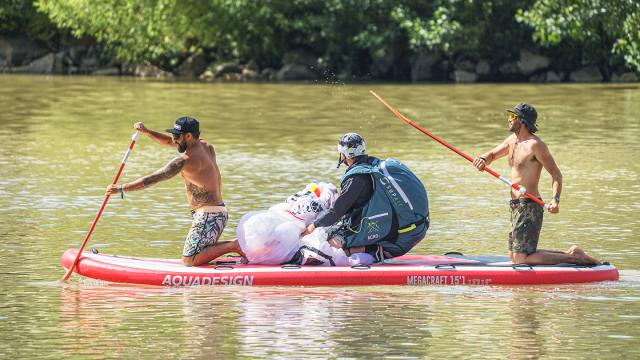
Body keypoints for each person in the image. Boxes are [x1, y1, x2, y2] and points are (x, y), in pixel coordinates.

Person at [472, 103, 600, 265]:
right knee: (514, 256)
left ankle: (574, 258)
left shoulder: (535, 145)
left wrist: (555, 200)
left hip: (530, 205)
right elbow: (491, 155)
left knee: (520, 259)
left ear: (522, 121)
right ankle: (572, 253)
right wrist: (482, 160)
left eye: (513, 117)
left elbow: (556, 175)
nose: (509, 120)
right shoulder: (512, 141)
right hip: (515, 205)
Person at [106, 117, 240, 266]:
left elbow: (152, 179)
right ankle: (229, 247)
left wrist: (121, 188)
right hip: (217, 212)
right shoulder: (206, 146)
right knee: (196, 253)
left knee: (190, 260)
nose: (173, 139)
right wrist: (147, 131)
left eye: (177, 136)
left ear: (188, 136)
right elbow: (169, 142)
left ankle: (234, 245)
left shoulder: (184, 160)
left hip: (209, 216)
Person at [302, 133, 429, 263]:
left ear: (344, 154)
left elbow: (337, 211)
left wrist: (312, 227)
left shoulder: (356, 178)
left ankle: (373, 251)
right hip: (416, 228)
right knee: (336, 227)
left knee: (328, 245)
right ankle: (372, 249)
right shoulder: (373, 167)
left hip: (399, 237)